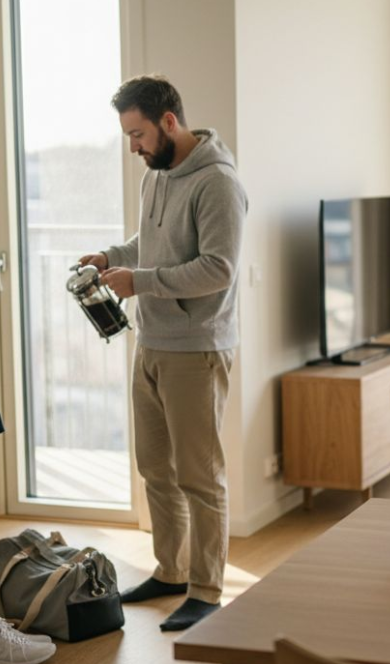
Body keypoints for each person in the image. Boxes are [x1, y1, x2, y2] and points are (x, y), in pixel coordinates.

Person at [78, 75, 247, 631]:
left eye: (138, 134)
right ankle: (171, 571)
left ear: (168, 122)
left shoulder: (218, 182)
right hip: (150, 342)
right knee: (155, 468)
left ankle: (207, 590)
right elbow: (148, 244)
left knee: (200, 476)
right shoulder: (157, 175)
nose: (134, 147)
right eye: (128, 136)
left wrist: (141, 282)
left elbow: (218, 269)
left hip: (196, 349)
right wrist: (110, 257)